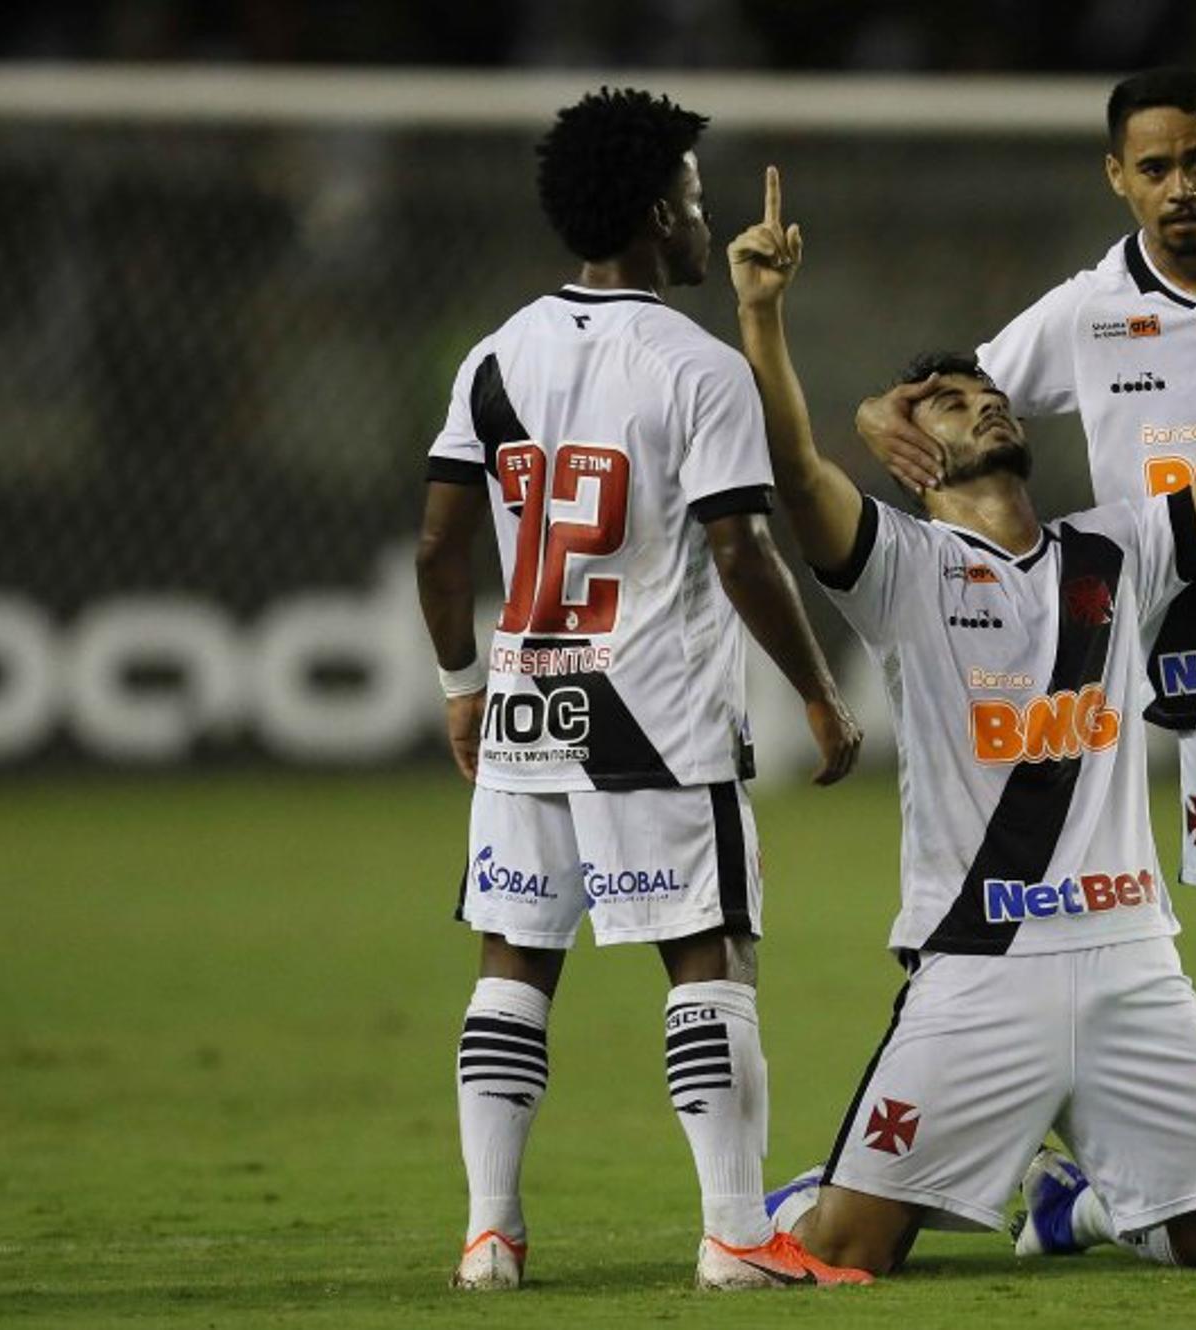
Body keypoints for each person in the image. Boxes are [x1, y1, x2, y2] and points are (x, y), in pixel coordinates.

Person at [727, 163, 1196, 1275]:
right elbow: (794, 466)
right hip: (983, 963)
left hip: (1131, 965)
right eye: (953, 404)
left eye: (989, 393)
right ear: (919, 462)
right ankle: (842, 1179)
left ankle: (1069, 1199)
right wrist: (762, 318)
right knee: (846, 1253)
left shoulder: (1121, 546)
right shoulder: (901, 567)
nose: (987, 403)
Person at [414, 87, 869, 1292]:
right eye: (695, 200)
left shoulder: (494, 356)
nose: (701, 223)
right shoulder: (692, 366)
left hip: (526, 710)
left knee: (513, 962)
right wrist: (820, 694)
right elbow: (739, 548)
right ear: (660, 207)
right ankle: (732, 1233)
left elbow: (438, 549)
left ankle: (490, 1236)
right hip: (656, 719)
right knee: (708, 957)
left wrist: (463, 685)